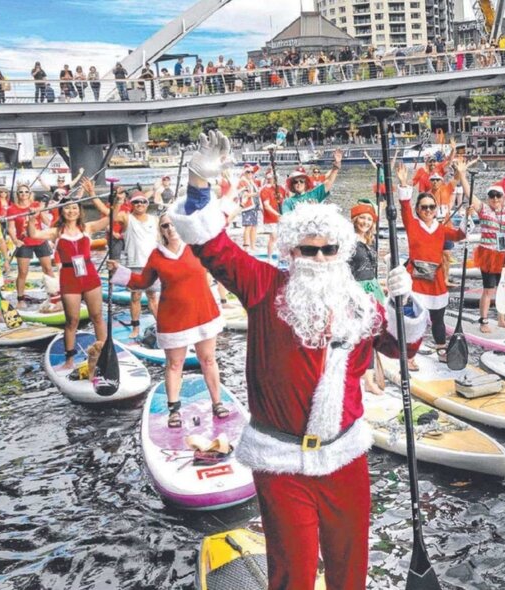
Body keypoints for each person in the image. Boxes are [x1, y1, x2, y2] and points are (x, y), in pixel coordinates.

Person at [169, 129, 427, 590]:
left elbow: (403, 347)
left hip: (346, 459)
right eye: (309, 249)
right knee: (293, 574)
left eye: (330, 249)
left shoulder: (362, 305)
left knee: (352, 570)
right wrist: (200, 181)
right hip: (281, 463)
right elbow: (210, 244)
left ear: (342, 251)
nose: (321, 257)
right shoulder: (264, 285)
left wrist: (407, 304)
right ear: (291, 251)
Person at [107, 213, 226, 427]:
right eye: (165, 226)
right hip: (174, 319)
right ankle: (174, 410)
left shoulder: (197, 246)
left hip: (204, 314)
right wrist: (119, 272)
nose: (170, 228)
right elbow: (142, 281)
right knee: (174, 364)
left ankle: (217, 403)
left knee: (208, 360)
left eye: (174, 224)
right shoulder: (156, 256)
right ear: (161, 230)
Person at [395, 160, 467, 366]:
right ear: (418, 209)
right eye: (424, 207)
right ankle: (409, 355)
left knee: (438, 319)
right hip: (415, 278)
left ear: (436, 209)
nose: (428, 210)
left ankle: (441, 350)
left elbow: (460, 234)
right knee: (413, 319)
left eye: (431, 207)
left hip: (435, 279)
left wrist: (467, 216)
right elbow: (404, 205)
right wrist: (403, 183)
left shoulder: (441, 228)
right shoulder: (412, 224)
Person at [27, 196, 110, 370]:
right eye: (67, 208)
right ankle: (70, 359)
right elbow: (33, 234)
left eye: (74, 208)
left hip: (90, 277)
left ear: (80, 210)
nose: (71, 211)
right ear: (62, 211)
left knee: (97, 317)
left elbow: (111, 216)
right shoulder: (56, 232)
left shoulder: (87, 228)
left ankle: (104, 353)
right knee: (72, 320)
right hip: (69, 278)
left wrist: (94, 195)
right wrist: (33, 217)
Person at [468, 182, 505, 333]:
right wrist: (464, 177)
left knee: (502, 288)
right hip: (488, 255)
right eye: (492, 196)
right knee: (488, 290)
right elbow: (470, 195)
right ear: (488, 198)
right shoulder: (484, 209)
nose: (495, 198)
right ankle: (484, 321)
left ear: (504, 197)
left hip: (504, 255)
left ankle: (501, 320)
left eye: (498, 196)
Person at [349, 199, 385, 394]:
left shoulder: (368, 240)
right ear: (355, 219)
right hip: (357, 291)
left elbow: (370, 268)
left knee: (372, 335)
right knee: (362, 335)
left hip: (373, 290)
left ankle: (368, 378)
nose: (365, 222)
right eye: (362, 218)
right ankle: (365, 380)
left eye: (369, 219)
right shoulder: (348, 241)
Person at [115, 190, 161, 338]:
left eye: (143, 201)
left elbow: (162, 239)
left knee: (152, 296)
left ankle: (162, 326)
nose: (139, 204)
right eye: (136, 202)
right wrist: (118, 201)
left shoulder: (155, 220)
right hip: (135, 263)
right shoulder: (127, 218)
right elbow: (113, 217)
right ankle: (135, 328)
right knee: (135, 296)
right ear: (131, 204)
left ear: (147, 204)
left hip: (153, 263)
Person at [6, 183, 55, 304]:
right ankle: (20, 298)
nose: (23, 194)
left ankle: (54, 295)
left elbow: (47, 222)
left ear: (30, 194)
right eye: (21, 192)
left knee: (48, 268)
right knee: (23, 271)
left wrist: (41, 210)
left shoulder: (36, 205)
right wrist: (15, 240)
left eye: (26, 192)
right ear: (17, 194)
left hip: (39, 239)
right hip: (23, 242)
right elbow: (11, 228)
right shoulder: (12, 209)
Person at [259, 172, 283, 263]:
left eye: (273, 178)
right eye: (269, 179)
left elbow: (286, 199)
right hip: (271, 218)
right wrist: (277, 214)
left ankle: (281, 256)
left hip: (281, 217)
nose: (271, 180)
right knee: (273, 237)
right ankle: (269, 258)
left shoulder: (280, 188)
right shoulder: (265, 190)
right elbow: (266, 206)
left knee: (281, 237)